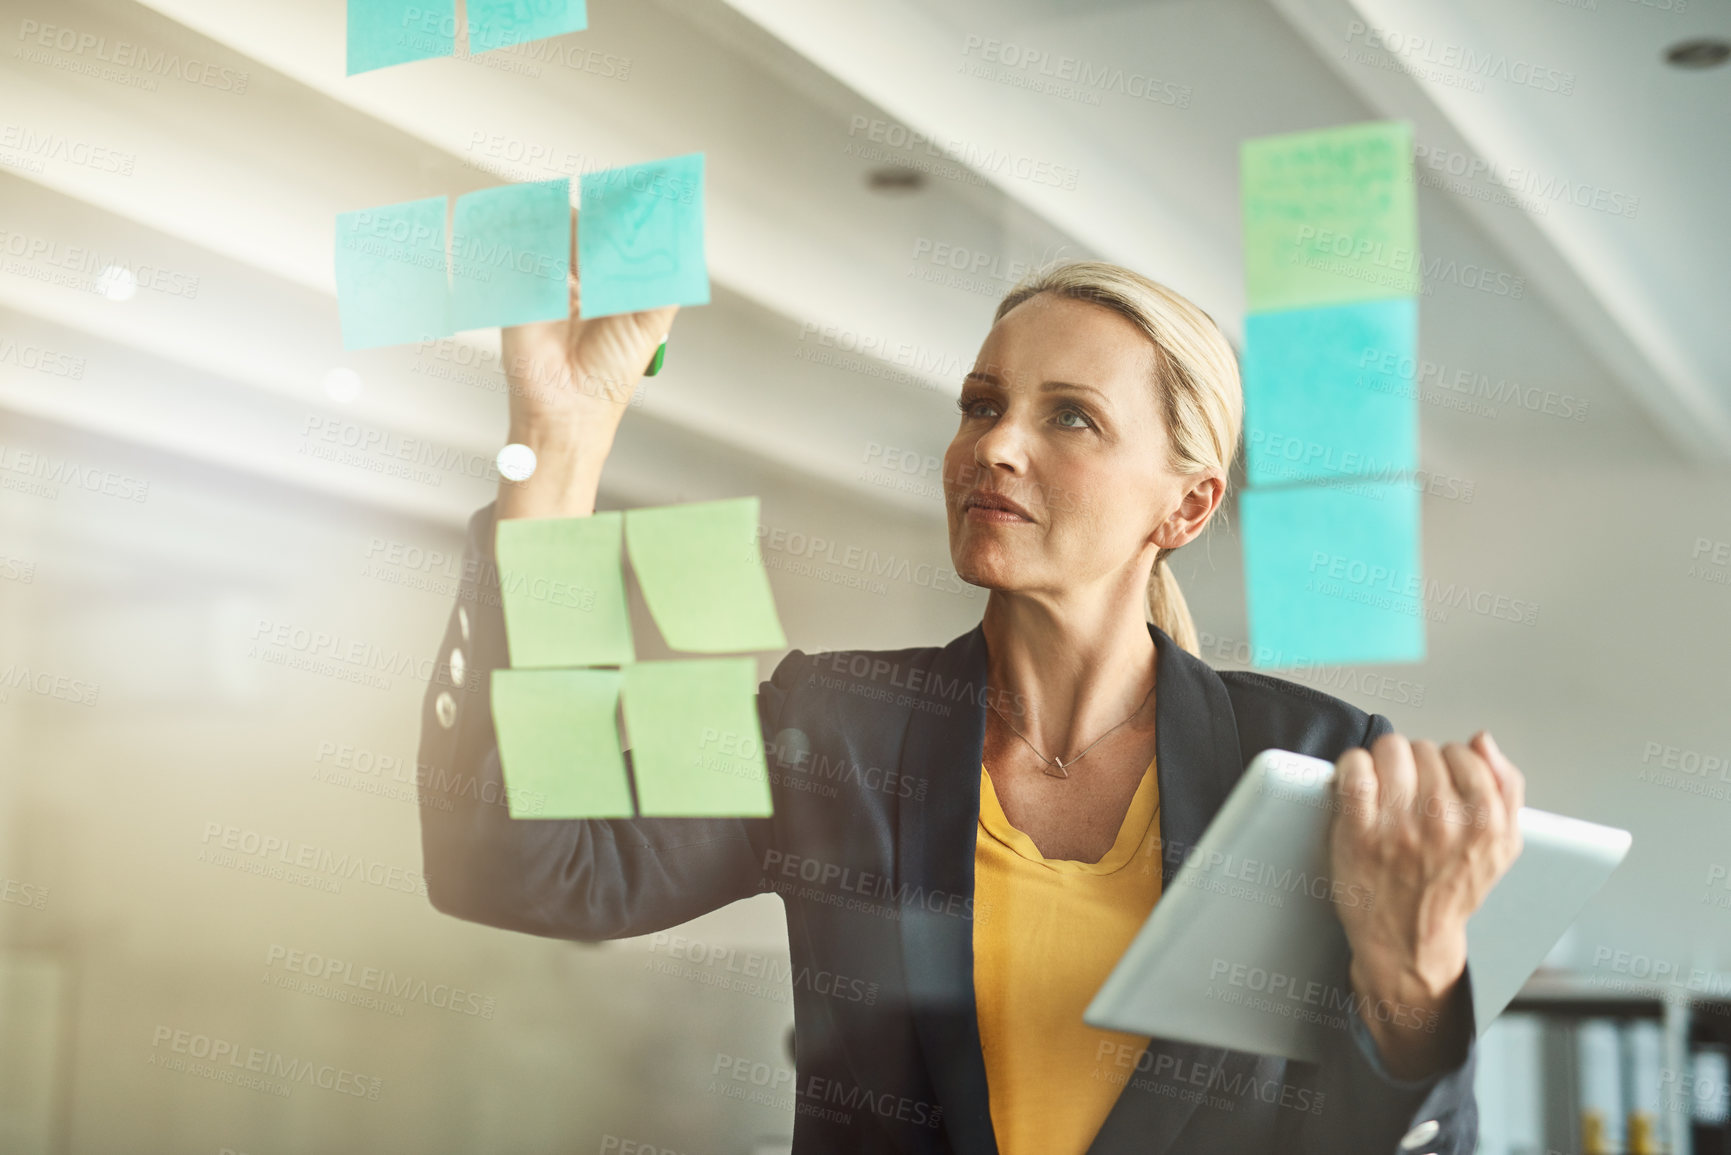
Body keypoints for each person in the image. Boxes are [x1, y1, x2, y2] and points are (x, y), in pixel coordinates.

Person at [416, 224, 1524, 1153]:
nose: (994, 446)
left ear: (1183, 509)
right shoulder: (836, 725)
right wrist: (555, 447)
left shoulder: (1312, 770)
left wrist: (1414, 973)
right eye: (982, 402)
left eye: (1070, 417)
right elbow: (524, 863)